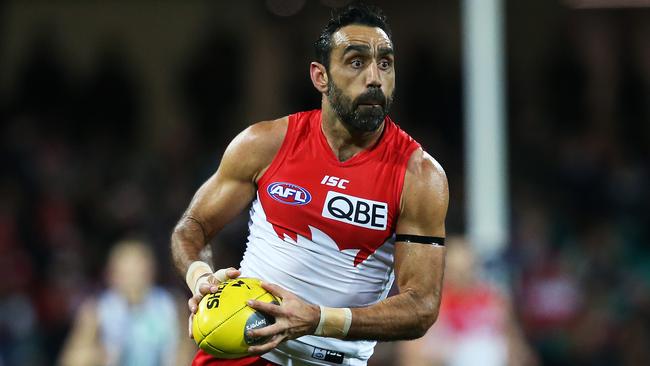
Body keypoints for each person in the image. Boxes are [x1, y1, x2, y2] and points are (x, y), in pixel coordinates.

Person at [171, 3, 449, 365]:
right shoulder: (265, 143)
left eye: (385, 63)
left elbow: (422, 307)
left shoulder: (420, 176)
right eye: (355, 62)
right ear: (320, 77)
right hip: (244, 353)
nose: (374, 78)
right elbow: (191, 228)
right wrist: (201, 279)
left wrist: (318, 319)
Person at [397, 237, 538, 366]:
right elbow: (412, 357)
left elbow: (518, 349)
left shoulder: (493, 300)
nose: (461, 276)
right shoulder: (430, 305)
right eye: (456, 270)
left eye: (466, 269)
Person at [59, 239, 195, 366]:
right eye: (127, 272)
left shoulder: (171, 304)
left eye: (138, 271)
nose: (133, 279)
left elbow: (188, 352)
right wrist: (99, 356)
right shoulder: (96, 310)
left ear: (151, 271)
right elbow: (71, 360)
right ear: (112, 275)